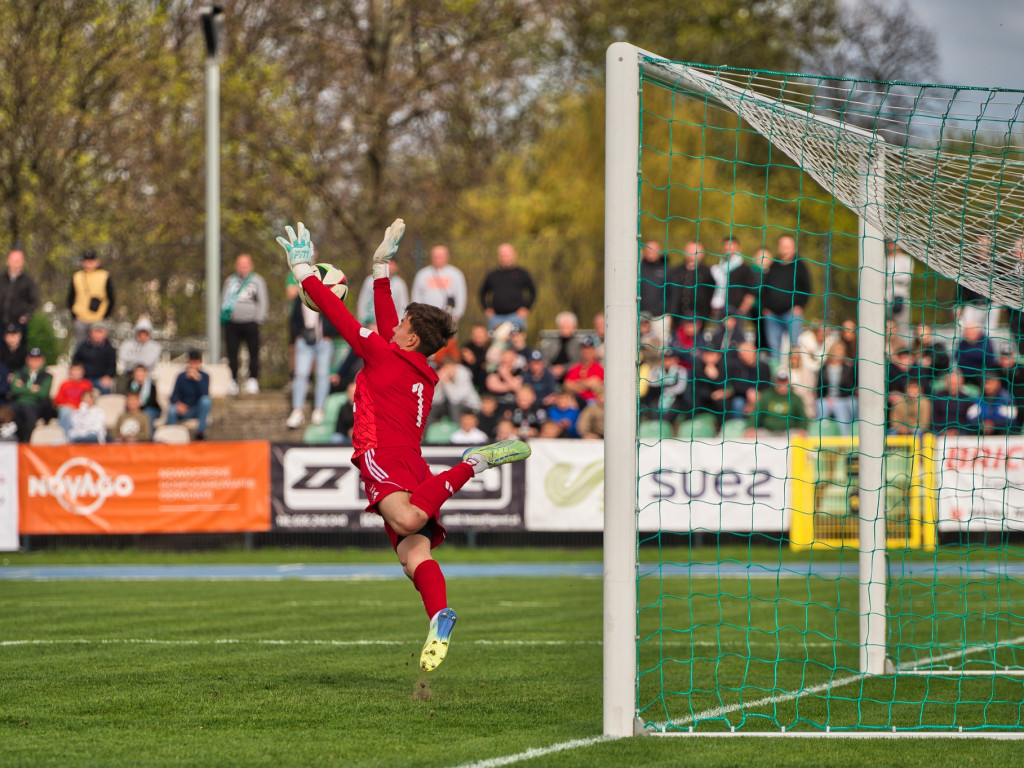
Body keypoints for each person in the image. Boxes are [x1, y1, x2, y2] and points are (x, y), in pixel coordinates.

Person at [277, 218, 531, 673]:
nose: (388, 326)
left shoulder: (382, 352)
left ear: (410, 337)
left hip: (382, 455)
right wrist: (379, 268)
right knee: (415, 555)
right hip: (412, 462)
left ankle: (473, 463)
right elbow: (391, 322)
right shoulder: (417, 366)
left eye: (400, 326)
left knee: (409, 518)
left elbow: (343, 319)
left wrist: (304, 274)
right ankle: (439, 617)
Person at [287, 292, 341, 429]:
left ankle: (319, 409)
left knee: (322, 375)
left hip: (323, 341)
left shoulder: (327, 295)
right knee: (300, 375)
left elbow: (335, 315)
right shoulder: (299, 298)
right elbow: (294, 319)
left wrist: (330, 334)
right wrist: (296, 337)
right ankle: (297, 410)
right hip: (304, 341)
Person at [221, 253, 269, 395]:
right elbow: (223, 299)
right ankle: (233, 381)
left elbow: (263, 301)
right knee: (231, 352)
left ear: (250, 265)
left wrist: (259, 318)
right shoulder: (230, 281)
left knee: (253, 352)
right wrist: (223, 316)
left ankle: (253, 379)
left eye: (245, 265)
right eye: (240, 265)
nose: (243, 268)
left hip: (251, 322)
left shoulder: (257, 280)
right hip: (232, 323)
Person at [759, 234, 812, 358]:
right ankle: (777, 375)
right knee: (774, 348)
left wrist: (799, 305)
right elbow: (764, 288)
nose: (785, 248)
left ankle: (795, 376)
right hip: (772, 314)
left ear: (793, 248)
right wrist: (765, 307)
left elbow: (807, 289)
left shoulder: (800, 266)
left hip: (792, 313)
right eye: (782, 245)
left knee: (795, 347)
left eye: (788, 246)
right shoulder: (773, 266)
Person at [479, 243, 536, 332]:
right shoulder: (492, 275)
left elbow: (533, 291)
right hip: (496, 318)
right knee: (498, 344)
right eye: (502, 255)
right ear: (498, 256)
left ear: (514, 255)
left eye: (507, 254)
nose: (504, 257)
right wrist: (486, 309)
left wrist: (526, 308)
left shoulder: (521, 273)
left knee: (514, 344)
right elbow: (482, 293)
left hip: (516, 317)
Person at [67, 249, 114, 348]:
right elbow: (70, 297)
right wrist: (73, 315)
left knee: (100, 346)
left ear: (97, 261)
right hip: (80, 318)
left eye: (91, 261)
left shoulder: (104, 275)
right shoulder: (77, 276)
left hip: (98, 318)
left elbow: (111, 297)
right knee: (80, 346)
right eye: (87, 261)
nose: (89, 264)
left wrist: (105, 315)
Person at [411, 244, 467, 325]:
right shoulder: (422, 274)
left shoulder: (456, 274)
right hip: (426, 318)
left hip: (448, 318)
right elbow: (416, 295)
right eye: (435, 256)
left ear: (447, 257)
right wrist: (417, 314)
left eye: (440, 256)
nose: (438, 259)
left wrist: (457, 314)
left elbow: (461, 295)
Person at [667, 240, 715, 333]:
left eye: (696, 251)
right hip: (679, 317)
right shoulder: (677, 270)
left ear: (702, 254)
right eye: (690, 251)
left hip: (700, 318)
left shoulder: (707, 272)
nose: (692, 255)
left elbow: (712, 294)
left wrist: (707, 313)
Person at [744, 368, 809, 437]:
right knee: (752, 436)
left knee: (800, 436)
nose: (782, 385)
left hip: (789, 432)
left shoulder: (795, 398)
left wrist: (802, 428)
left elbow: (802, 417)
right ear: (775, 382)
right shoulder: (766, 396)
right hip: (768, 432)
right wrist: (751, 427)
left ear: (788, 382)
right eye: (780, 382)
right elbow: (756, 413)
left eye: (784, 382)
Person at [9, 347, 54, 442]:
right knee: (11, 412)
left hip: (36, 405)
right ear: (27, 360)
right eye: (32, 359)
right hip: (17, 403)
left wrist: (23, 387)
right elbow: (14, 390)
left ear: (42, 360)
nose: (35, 362)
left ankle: (26, 443)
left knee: (29, 413)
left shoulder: (47, 376)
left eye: (37, 359)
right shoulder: (19, 373)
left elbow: (43, 393)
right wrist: (31, 389)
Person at [167, 349, 212, 439]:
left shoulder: (205, 376)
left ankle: (200, 432)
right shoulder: (181, 376)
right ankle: (170, 434)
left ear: (199, 363)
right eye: (191, 363)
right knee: (172, 409)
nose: (193, 366)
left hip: (197, 409)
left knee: (206, 401)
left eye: (196, 363)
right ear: (188, 362)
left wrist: (197, 380)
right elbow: (173, 396)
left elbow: (205, 394)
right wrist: (178, 404)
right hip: (184, 409)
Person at [816, 339, 857, 435]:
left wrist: (835, 399)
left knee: (839, 406)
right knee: (820, 404)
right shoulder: (823, 369)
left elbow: (850, 388)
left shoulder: (849, 369)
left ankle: (844, 437)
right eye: (837, 352)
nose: (839, 354)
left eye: (841, 352)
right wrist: (827, 398)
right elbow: (819, 389)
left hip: (844, 398)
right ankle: (820, 436)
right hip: (827, 399)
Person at [431, 356, 482, 424]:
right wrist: (439, 383)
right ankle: (429, 432)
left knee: (454, 406)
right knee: (432, 407)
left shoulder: (463, 373)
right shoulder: (445, 376)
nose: (447, 371)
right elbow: (435, 399)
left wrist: (446, 383)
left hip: (470, 406)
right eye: (445, 368)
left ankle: (456, 431)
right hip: (450, 405)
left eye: (449, 367)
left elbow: (456, 399)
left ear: (455, 366)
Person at [356, 258, 409, 324]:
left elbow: (403, 307)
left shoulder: (400, 284)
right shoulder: (369, 280)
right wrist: (365, 323)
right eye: (387, 264)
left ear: (396, 267)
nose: (389, 267)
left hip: (391, 326)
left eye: (392, 264)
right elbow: (363, 302)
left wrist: (398, 327)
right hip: (370, 324)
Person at [0, 247, 39, 335]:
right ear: (7, 261)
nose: (14, 264)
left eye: (17, 261)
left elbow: (34, 301)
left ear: (22, 263)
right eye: (12, 260)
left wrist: (26, 315)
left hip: (18, 325)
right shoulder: (1, 278)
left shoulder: (28, 282)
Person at [72, 321, 117, 394]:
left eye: (100, 332)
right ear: (91, 333)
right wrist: (76, 372)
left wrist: (107, 376)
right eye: (95, 331)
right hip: (83, 378)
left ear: (105, 334)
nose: (97, 335)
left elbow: (112, 367)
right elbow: (75, 362)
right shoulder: (83, 346)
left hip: (100, 379)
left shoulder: (110, 349)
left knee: (106, 387)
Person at [539, 311, 582, 384]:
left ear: (574, 327)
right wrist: (551, 369)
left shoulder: (579, 344)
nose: (564, 330)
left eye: (567, 327)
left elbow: (578, 362)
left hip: (571, 376)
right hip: (550, 373)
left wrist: (563, 369)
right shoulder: (551, 342)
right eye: (562, 327)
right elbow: (543, 358)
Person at [563, 335, 604, 408]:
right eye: (584, 349)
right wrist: (587, 384)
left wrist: (577, 383)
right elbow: (567, 385)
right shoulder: (575, 368)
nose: (586, 352)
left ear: (594, 350)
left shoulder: (600, 368)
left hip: (594, 403)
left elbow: (597, 385)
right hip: (577, 403)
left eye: (589, 349)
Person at [54, 362, 94, 434]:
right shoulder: (64, 384)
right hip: (67, 409)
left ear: (82, 372)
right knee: (65, 412)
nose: (76, 373)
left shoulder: (87, 384)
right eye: (74, 370)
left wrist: (77, 408)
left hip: (81, 409)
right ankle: (65, 437)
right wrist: (67, 406)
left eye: (78, 370)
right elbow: (57, 401)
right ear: (70, 372)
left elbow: (89, 399)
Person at [121, 364, 161, 434]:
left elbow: (152, 401)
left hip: (150, 408)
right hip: (133, 408)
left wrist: (139, 404)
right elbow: (129, 398)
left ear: (145, 374)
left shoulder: (151, 386)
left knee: (148, 414)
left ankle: (149, 438)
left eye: (141, 374)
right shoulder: (130, 385)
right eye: (137, 374)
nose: (139, 376)